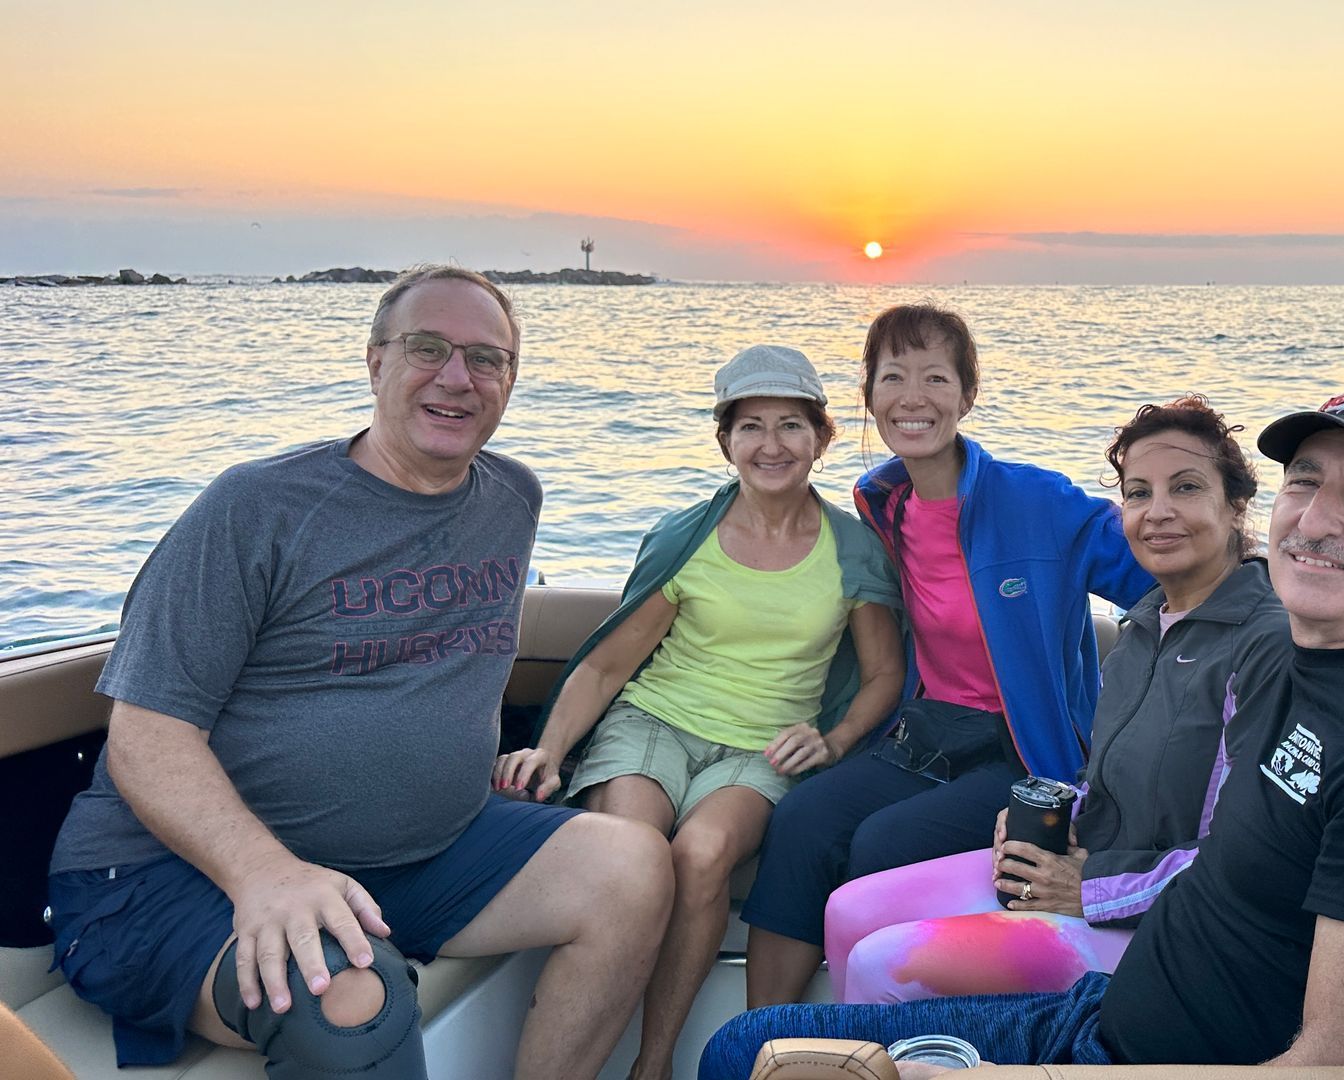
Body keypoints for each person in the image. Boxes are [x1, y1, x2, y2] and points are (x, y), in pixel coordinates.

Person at [699, 382, 1344, 1077]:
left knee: (756, 1059)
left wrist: (1089, 905)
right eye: (1306, 481)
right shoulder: (1311, 664)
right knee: (756, 1047)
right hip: (1116, 1010)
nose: (1317, 517)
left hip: (1136, 1055)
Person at [46, 265, 675, 1080]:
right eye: (427, 348)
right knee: (352, 1003)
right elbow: (144, 739)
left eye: (487, 359)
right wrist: (265, 874)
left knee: (633, 867)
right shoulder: (254, 510)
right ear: (374, 361)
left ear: (511, 381)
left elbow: (437, 658)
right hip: (173, 876)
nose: (457, 378)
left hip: (418, 855)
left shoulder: (512, 496)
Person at [493, 344, 904, 1080]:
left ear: (821, 438)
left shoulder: (854, 550)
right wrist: (550, 751)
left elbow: (883, 673)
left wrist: (834, 739)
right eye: (750, 426)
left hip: (761, 749)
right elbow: (609, 663)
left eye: (790, 425)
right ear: (725, 442)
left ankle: (654, 1063)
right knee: (628, 852)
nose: (770, 445)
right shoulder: (688, 539)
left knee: (702, 854)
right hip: (653, 724)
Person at [741, 305, 1157, 1005]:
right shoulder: (884, 505)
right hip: (924, 732)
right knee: (801, 822)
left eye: (936, 378)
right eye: (892, 376)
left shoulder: (1037, 501)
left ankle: (877, 1038)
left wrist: (1264, 580)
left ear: (967, 396)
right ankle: (763, 1039)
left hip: (1022, 753)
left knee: (880, 845)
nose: (913, 397)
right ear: (868, 395)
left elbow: (1160, 574)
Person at [821, 396, 1291, 1003]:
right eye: (1139, 493)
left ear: (1235, 506)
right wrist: (1051, 812)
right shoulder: (1147, 624)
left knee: (885, 965)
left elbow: (1248, 855)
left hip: (1169, 925)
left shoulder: (1265, 645)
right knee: (849, 912)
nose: (1158, 512)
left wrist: (1088, 889)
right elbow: (1113, 776)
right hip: (1091, 869)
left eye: (1186, 488)